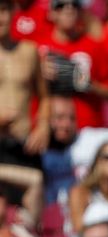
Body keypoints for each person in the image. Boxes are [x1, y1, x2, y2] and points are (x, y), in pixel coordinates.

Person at [39, 0, 108, 129]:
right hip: (50, 130)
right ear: (51, 13)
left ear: (81, 12)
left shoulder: (95, 47)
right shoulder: (37, 48)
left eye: (75, 5)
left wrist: (89, 85)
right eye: (61, 6)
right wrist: (38, 73)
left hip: (87, 128)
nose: (69, 9)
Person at [0, 0, 50, 166]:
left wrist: (42, 126)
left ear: (13, 12)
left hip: (23, 144)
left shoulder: (29, 51)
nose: (1, 18)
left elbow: (44, 97)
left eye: (4, 10)